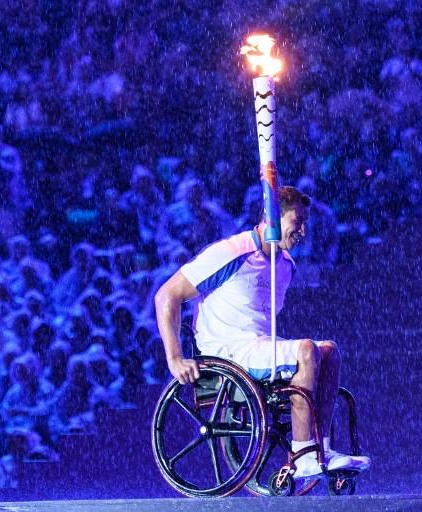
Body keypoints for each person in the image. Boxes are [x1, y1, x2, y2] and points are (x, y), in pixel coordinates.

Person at [154, 186, 370, 479]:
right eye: (298, 222)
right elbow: (167, 295)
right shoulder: (230, 252)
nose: (303, 231)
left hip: (258, 346)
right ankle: (303, 454)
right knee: (307, 350)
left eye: (305, 223)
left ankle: (322, 449)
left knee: (329, 350)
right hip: (226, 350)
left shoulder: (285, 266)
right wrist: (175, 358)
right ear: (273, 217)